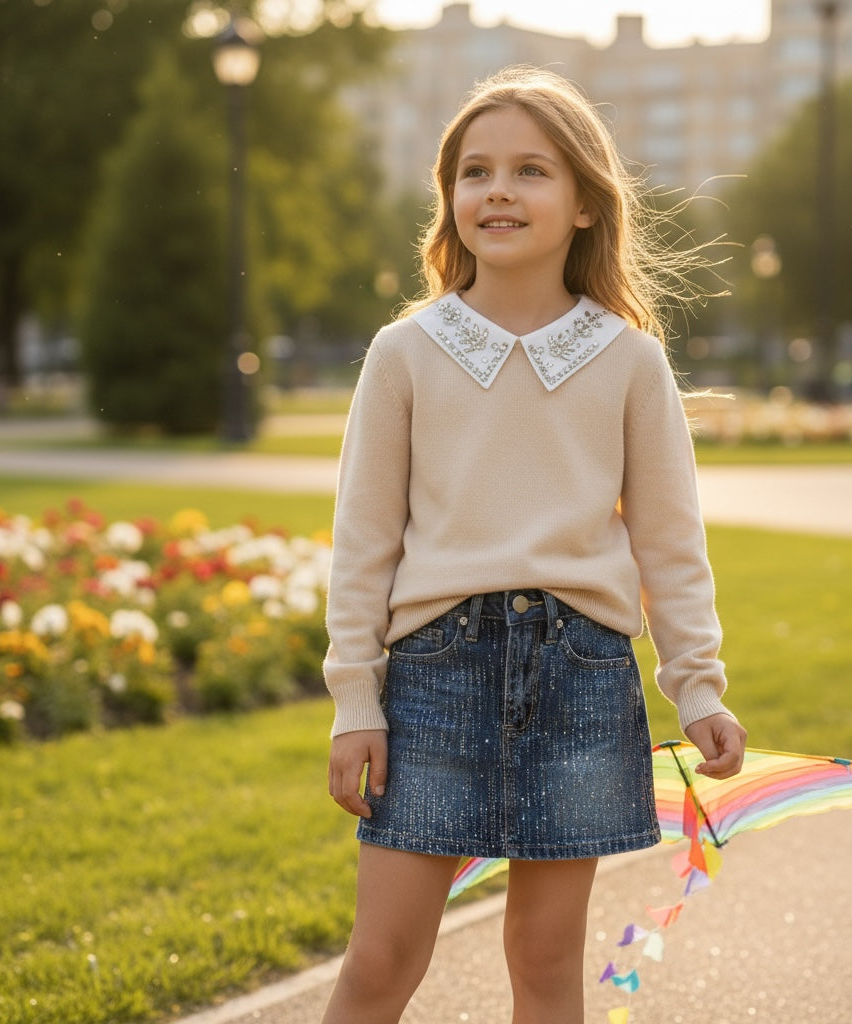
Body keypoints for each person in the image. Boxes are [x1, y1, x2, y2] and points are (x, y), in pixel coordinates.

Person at [321, 65, 747, 1024]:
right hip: (432, 679)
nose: (498, 191)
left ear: (587, 204)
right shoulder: (406, 354)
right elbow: (363, 542)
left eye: (529, 171)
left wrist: (700, 683)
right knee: (383, 956)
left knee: (546, 959)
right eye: (475, 172)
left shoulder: (631, 362)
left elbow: (672, 545)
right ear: (449, 201)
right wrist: (356, 698)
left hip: (583, 679)